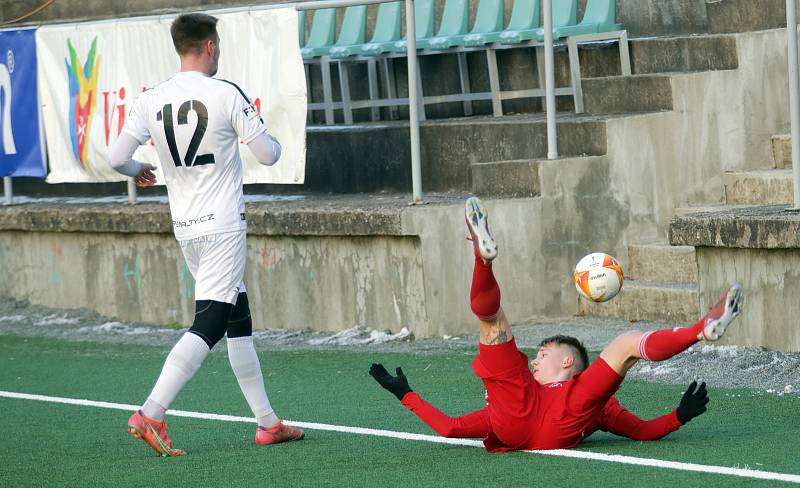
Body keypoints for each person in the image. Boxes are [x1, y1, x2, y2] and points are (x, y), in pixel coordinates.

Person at [370, 196, 744, 451]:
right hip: (565, 419)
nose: (535, 359)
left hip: (519, 417)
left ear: (567, 361)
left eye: (543, 353)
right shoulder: (601, 406)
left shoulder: (579, 395)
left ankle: (482, 259)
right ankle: (699, 330)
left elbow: (450, 428)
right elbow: (644, 432)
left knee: (491, 320)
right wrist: (678, 417)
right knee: (627, 344)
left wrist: (405, 393)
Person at [109, 13, 303, 456]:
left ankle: (268, 423)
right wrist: (268, 135)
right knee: (212, 319)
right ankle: (151, 413)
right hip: (222, 225)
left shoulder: (151, 100)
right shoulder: (224, 93)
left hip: (187, 228)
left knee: (237, 314)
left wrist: (140, 168)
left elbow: (116, 156)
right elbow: (268, 155)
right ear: (210, 47)